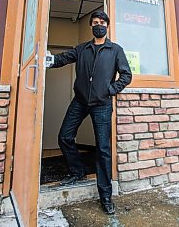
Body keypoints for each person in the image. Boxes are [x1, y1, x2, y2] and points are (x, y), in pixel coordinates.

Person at [45, 11, 132, 215]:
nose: (98, 25)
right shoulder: (82, 49)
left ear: (107, 26)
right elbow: (62, 58)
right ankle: (78, 171)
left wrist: (110, 90)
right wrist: (45, 59)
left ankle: (106, 196)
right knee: (65, 136)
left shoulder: (115, 50)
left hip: (102, 104)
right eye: (95, 23)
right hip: (80, 101)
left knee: (102, 149)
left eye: (101, 22)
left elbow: (126, 75)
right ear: (91, 26)